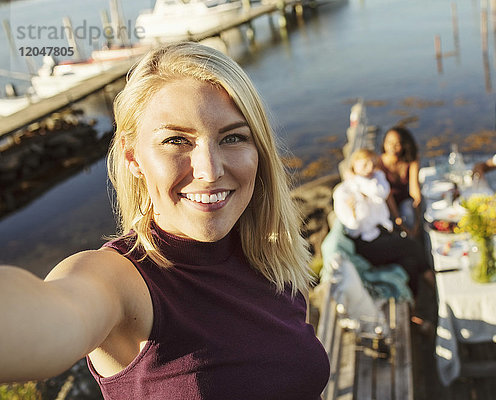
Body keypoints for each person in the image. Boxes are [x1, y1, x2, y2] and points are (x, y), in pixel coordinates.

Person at [0, 42, 329, 399]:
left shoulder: (270, 256)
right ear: (133, 157)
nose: (209, 170)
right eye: (176, 140)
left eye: (232, 137)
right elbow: (52, 316)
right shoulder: (123, 282)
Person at [333, 148, 433, 297]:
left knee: (410, 262)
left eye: (373, 164)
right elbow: (353, 230)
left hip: (383, 233)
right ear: (354, 165)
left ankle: (414, 306)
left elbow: (381, 192)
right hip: (366, 243)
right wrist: (353, 211)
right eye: (365, 164)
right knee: (411, 244)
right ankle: (431, 278)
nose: (370, 168)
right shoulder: (344, 192)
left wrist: (359, 181)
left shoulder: (376, 179)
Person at [379, 126, 422, 238]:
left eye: (397, 144)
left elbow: (414, 190)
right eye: (388, 142)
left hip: (404, 200)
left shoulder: (411, 160)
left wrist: (418, 219)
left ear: (404, 145)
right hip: (386, 204)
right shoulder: (379, 164)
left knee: (409, 213)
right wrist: (399, 221)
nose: (392, 147)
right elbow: (387, 195)